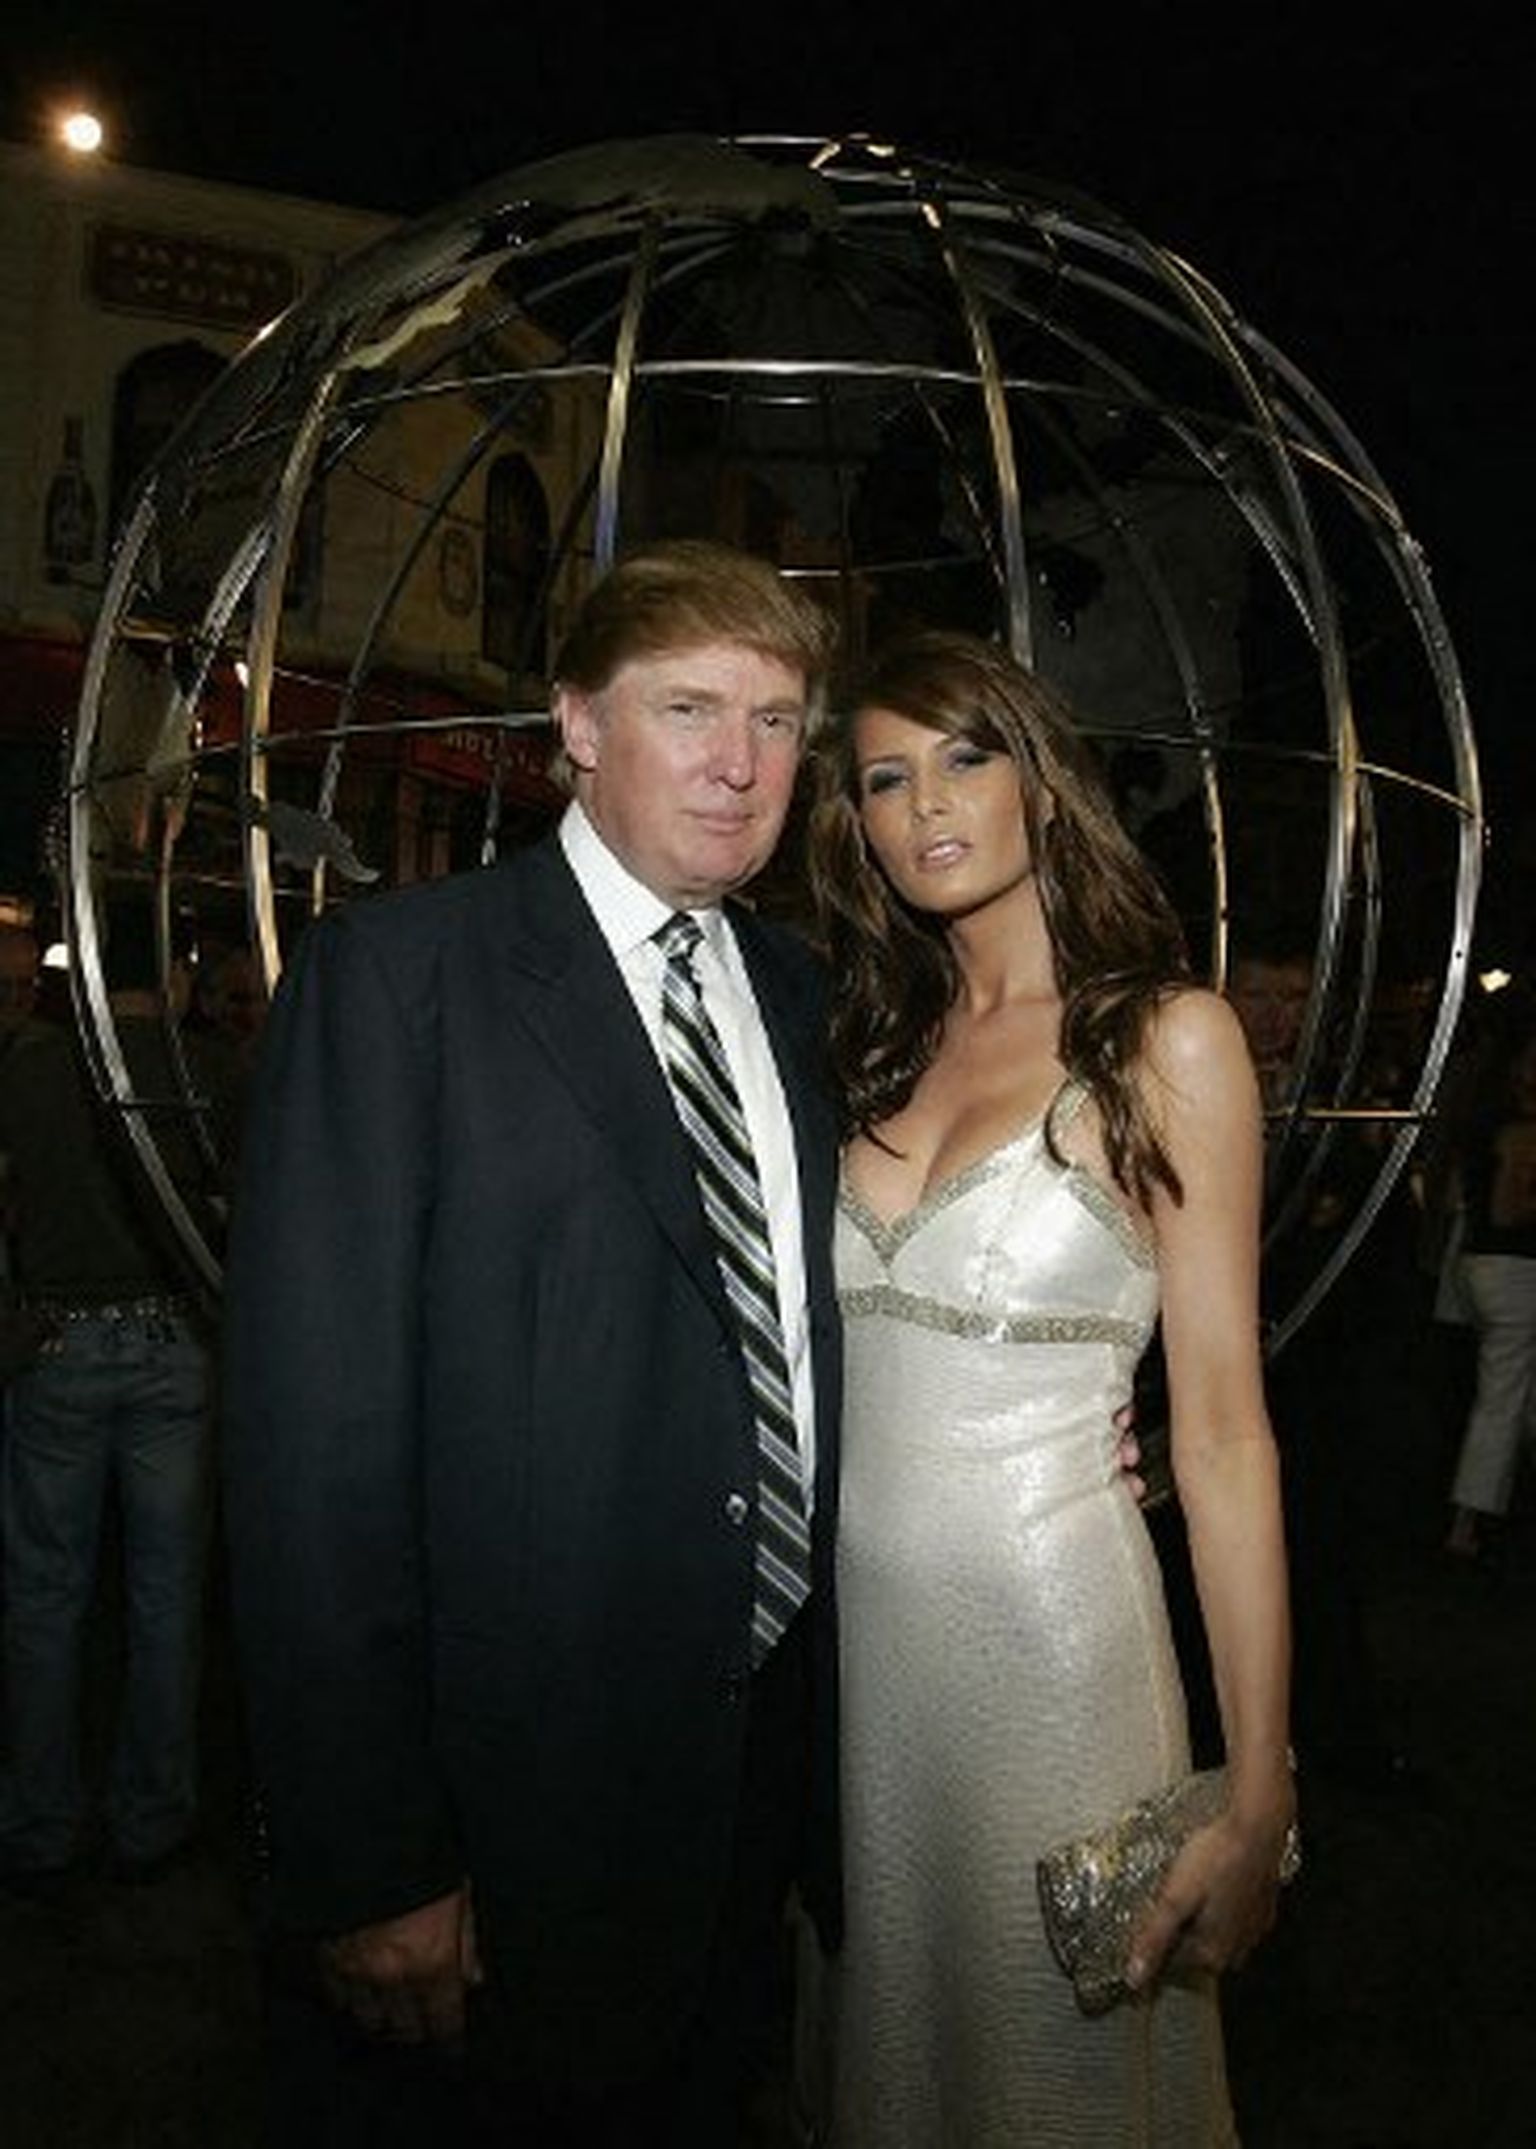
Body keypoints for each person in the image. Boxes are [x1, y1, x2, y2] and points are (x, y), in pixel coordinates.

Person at [221, 541, 845, 2145]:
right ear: (576, 723)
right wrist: (371, 1853)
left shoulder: (800, 994)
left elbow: (789, 1328)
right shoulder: (400, 981)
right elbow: (312, 1457)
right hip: (503, 1815)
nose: (739, 764)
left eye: (778, 721)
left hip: (752, 1793)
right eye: (688, 709)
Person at [806, 630, 1294, 2144]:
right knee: (908, 2061)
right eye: (886, 778)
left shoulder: (1165, 1040)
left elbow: (1223, 1435)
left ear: (1041, 779)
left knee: (1060, 2087)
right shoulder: (873, 1041)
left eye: (966, 757)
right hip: (872, 1667)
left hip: (1058, 1649)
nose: (927, 804)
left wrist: (1257, 1786)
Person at [0, 901, 212, 1892]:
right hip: (176, 1341)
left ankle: (41, 1821)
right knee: (167, 1594)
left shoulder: (32, 1066)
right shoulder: (202, 1066)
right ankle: (151, 1816)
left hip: (59, 1340)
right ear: (170, 970)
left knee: (45, 1595)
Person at [1441, 1004, 1536, 1560]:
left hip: (1479, 1265)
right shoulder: (1522, 1132)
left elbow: (1461, 1197)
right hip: (1515, 1270)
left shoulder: (1483, 1121)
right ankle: (1465, 1521)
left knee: (1515, 1390)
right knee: (1501, 1399)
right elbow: (1507, 1210)